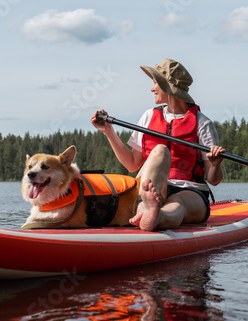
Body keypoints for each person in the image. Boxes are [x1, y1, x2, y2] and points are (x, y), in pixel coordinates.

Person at [91, 58, 225, 231]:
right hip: (152, 189)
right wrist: (109, 131)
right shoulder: (148, 116)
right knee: (160, 150)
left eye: (155, 83)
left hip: (190, 190)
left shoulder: (202, 123)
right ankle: (144, 208)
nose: (152, 88)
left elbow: (214, 180)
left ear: (168, 87)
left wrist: (215, 164)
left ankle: (156, 216)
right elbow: (132, 164)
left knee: (178, 203)